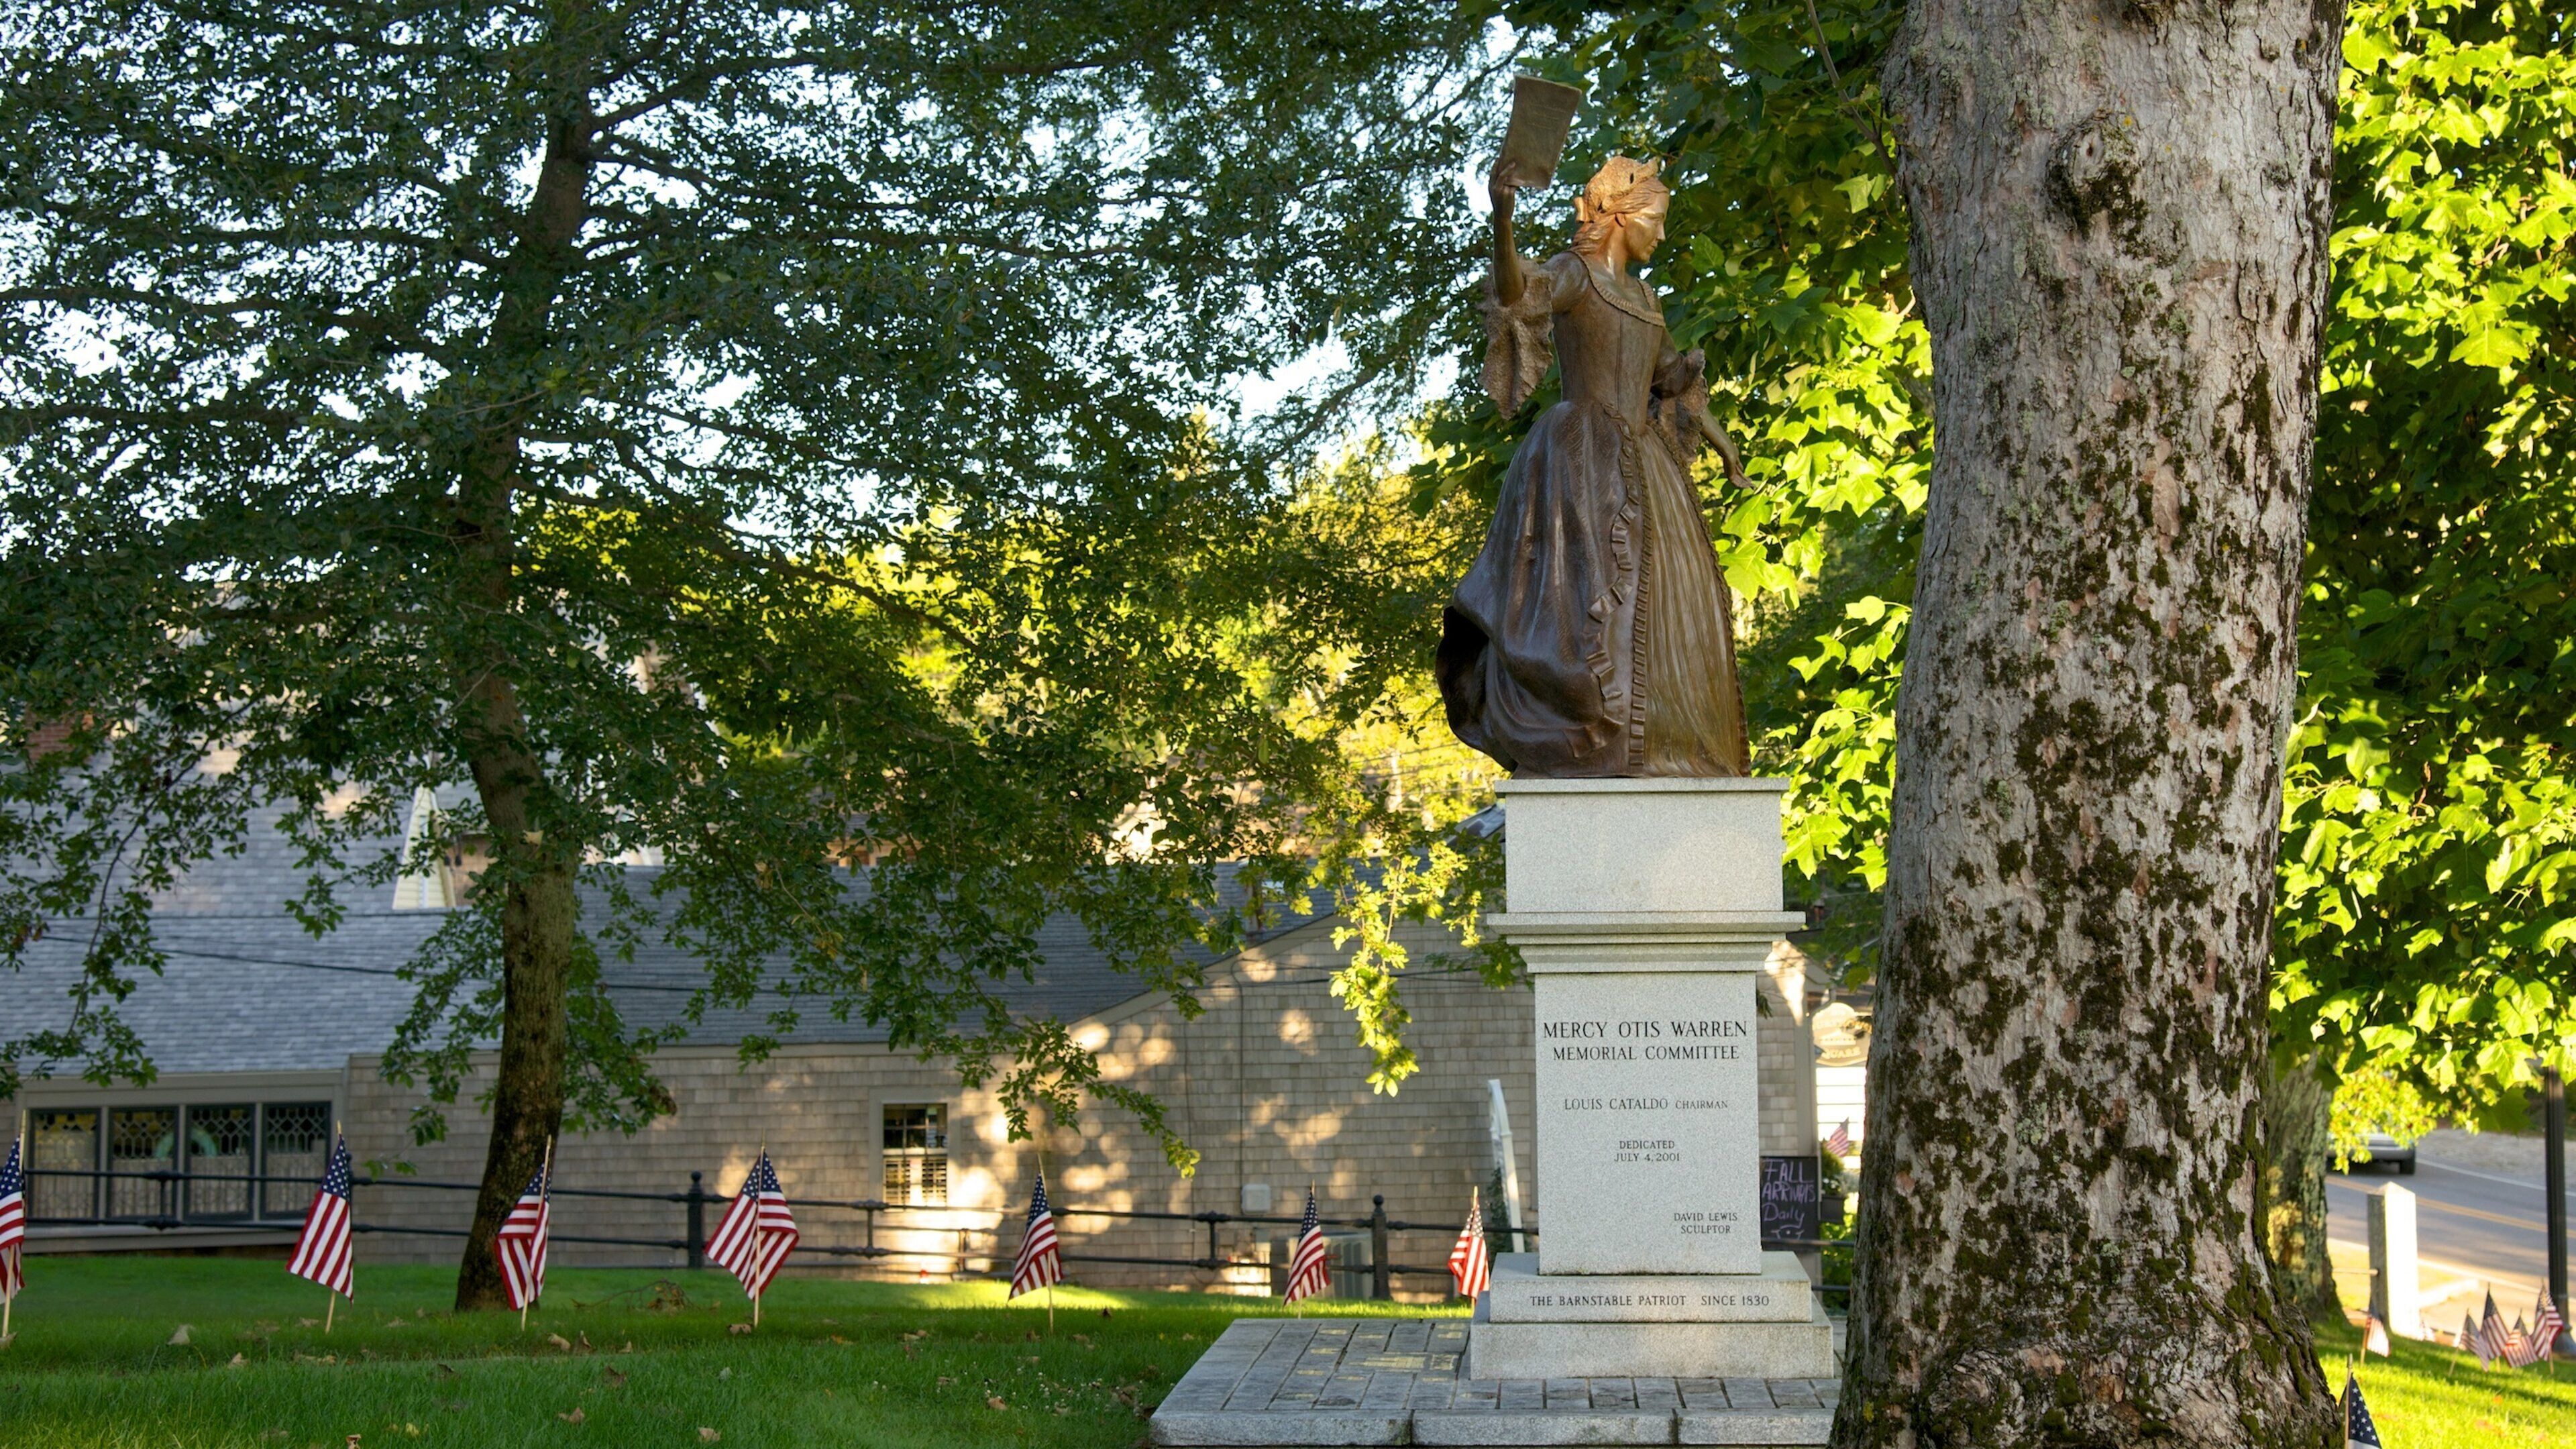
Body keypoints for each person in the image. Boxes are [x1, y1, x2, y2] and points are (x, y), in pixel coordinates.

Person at [1436, 155, 1754, 777]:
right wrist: (1503, 215)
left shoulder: (1644, 295)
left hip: (1647, 463)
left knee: (1662, 598)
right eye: (1655, 221)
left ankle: (1665, 742)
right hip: (1580, 460)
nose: (1661, 236)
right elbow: (1516, 291)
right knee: (1589, 600)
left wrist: (1722, 443)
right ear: (1618, 216)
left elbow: (1669, 379)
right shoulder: (1574, 274)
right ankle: (1590, 730)